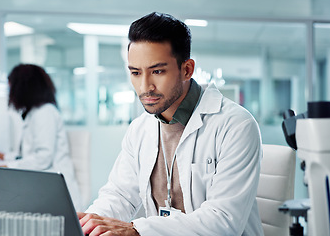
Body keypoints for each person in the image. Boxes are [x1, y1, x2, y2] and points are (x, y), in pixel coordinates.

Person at [77, 12, 263, 235]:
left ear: (187, 70)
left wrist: (137, 230)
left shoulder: (235, 125)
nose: (145, 86)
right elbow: (119, 195)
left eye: (157, 71)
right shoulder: (139, 130)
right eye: (136, 73)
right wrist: (89, 225)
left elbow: (223, 221)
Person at [0, 63, 82, 211]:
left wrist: (8, 166)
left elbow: (43, 158)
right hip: (43, 188)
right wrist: (7, 157)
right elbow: (29, 153)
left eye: (11, 87)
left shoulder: (44, 113)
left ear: (22, 87)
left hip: (55, 194)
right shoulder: (34, 113)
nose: (10, 92)